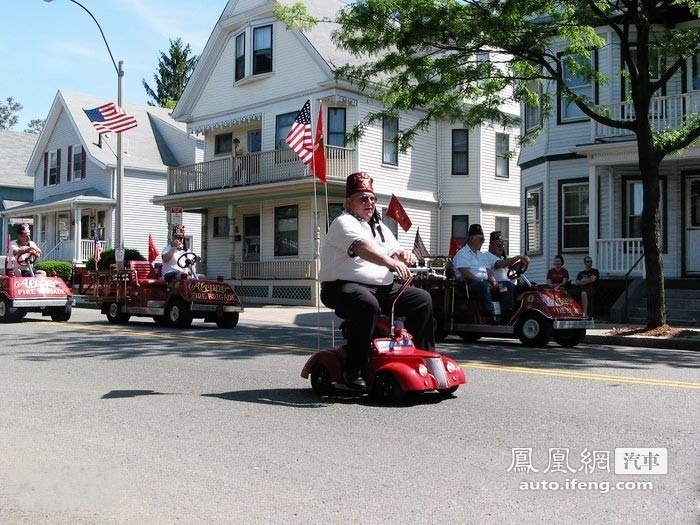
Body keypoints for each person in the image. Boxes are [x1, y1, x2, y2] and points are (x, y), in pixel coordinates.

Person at [319, 172, 435, 390]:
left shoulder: (379, 227)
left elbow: (395, 251)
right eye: (363, 198)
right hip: (342, 286)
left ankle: (422, 358)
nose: (369, 203)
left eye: (372, 198)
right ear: (349, 202)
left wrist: (404, 256)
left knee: (422, 299)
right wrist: (390, 263)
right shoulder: (343, 222)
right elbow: (363, 248)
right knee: (367, 303)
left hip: (381, 287)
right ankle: (354, 370)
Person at [453, 224, 500, 324]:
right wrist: (479, 280)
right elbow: (465, 273)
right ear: (472, 238)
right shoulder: (462, 253)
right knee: (484, 286)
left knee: (506, 286)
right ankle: (489, 314)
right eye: (481, 239)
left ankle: (506, 312)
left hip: (484, 283)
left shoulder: (481, 255)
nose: (483, 242)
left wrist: (495, 282)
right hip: (469, 284)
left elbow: (489, 271)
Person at [483, 231, 530, 322]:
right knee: (507, 286)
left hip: (509, 286)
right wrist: (517, 257)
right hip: (495, 287)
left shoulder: (504, 258)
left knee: (528, 286)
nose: (501, 248)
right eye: (498, 245)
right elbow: (499, 264)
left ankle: (522, 312)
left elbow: (514, 267)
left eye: (502, 245)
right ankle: (506, 315)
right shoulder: (487, 256)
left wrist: (524, 262)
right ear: (491, 246)